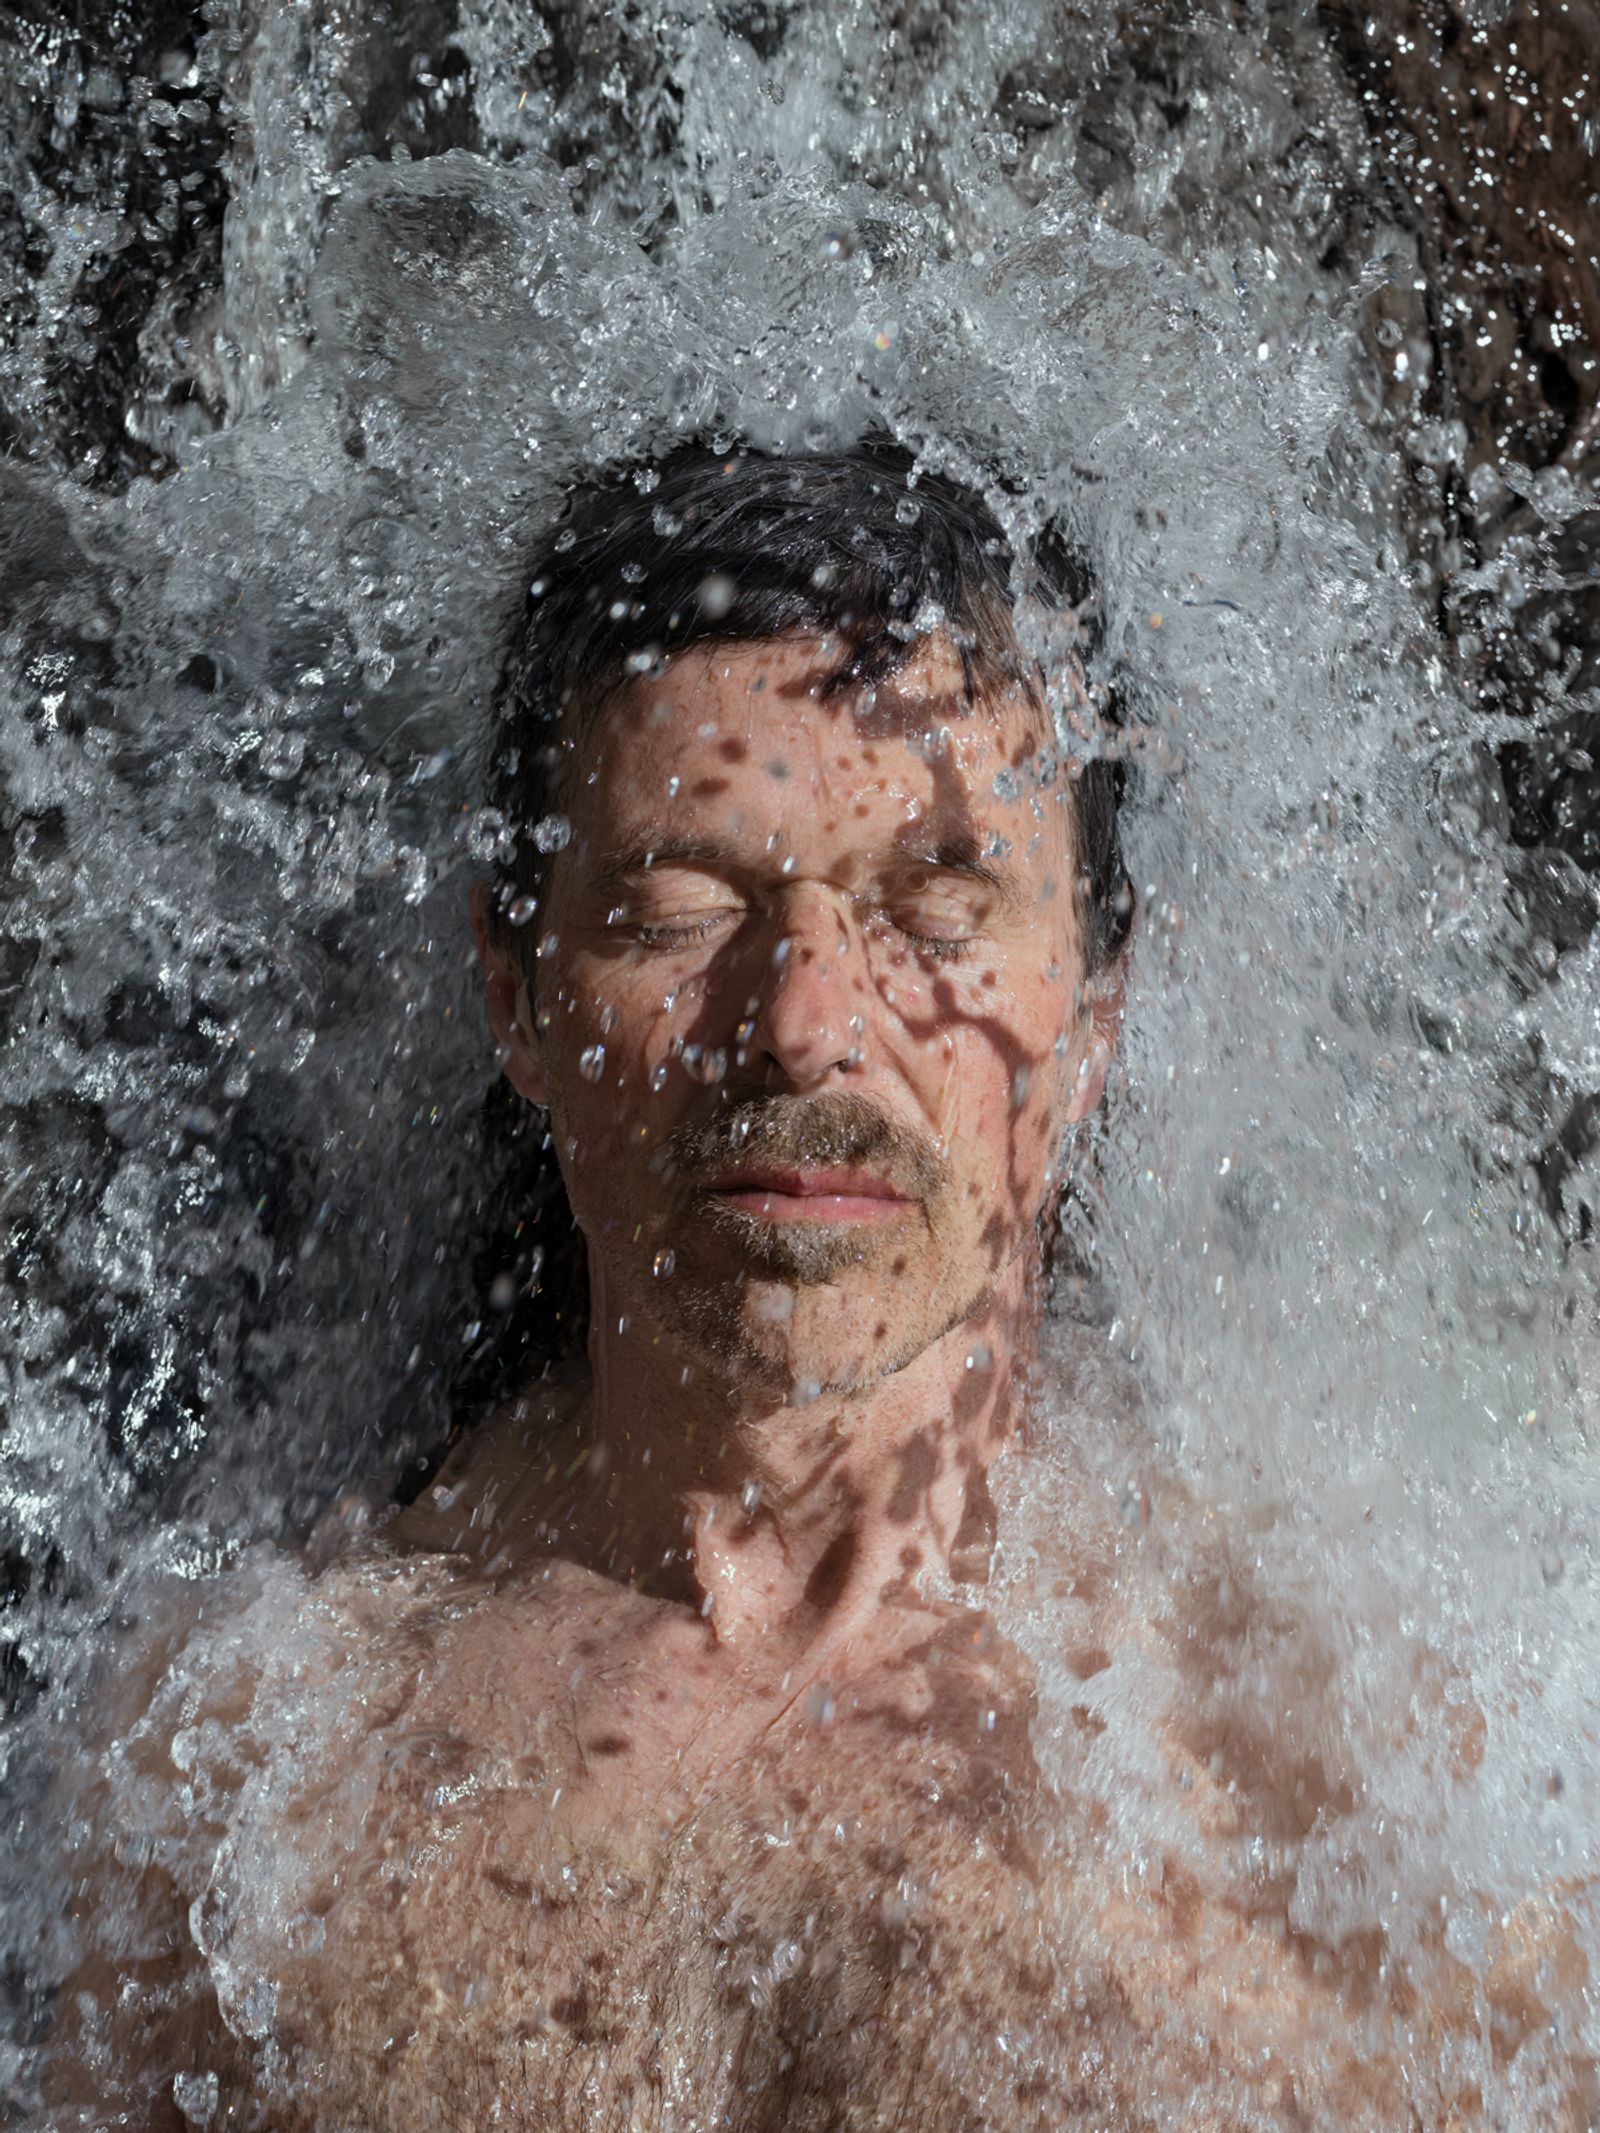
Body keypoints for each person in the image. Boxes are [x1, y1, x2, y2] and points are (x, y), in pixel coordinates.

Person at [43, 443, 1592, 2133]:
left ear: (1095, 1003)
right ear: (514, 981)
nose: (804, 1023)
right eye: (679, 906)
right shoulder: (253, 1776)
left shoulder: (1377, 1816)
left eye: (936, 906)